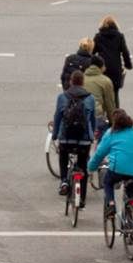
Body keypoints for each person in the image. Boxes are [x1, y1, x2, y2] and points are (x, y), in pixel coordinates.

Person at [86, 110, 133, 228]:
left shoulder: (110, 133)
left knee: (107, 182)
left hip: (117, 170)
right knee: (131, 195)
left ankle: (111, 204)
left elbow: (99, 153)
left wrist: (91, 167)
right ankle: (132, 221)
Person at [48, 71, 98, 204]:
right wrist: (92, 135)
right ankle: (81, 199)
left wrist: (55, 135)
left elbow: (57, 118)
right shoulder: (90, 98)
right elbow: (93, 120)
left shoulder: (62, 97)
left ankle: (64, 181)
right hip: (84, 140)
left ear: (71, 81)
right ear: (83, 82)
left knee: (63, 155)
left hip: (66, 138)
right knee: (83, 165)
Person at [93, 15, 133, 92]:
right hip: (115, 69)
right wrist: (128, 65)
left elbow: (92, 53)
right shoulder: (119, 36)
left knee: (103, 91)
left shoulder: (98, 37)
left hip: (102, 68)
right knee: (115, 91)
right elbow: (125, 52)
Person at [81, 58, 118, 130]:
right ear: (101, 67)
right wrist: (113, 122)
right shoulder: (105, 81)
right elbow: (109, 104)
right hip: (96, 115)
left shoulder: (81, 78)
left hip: (79, 115)